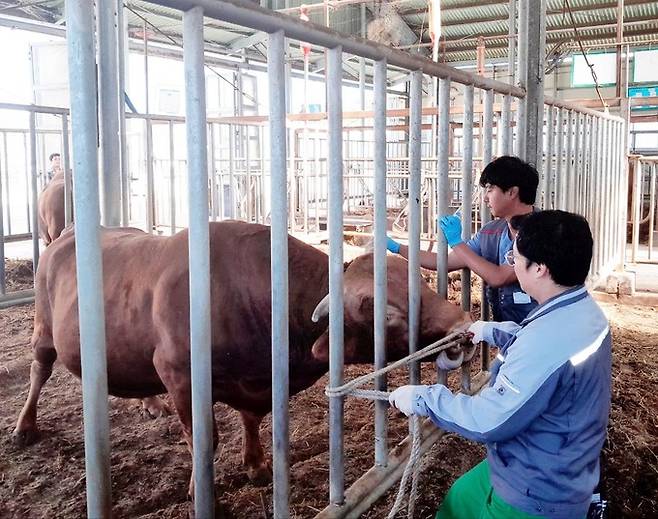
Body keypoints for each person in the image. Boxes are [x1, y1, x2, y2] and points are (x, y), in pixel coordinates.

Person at [389, 210, 612, 519]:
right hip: (559, 455)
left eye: (515, 258)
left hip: (538, 488)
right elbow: (543, 349)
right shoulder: (583, 312)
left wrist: (424, 398)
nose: (511, 262)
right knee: (459, 501)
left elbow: (488, 421)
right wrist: (494, 331)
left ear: (540, 270)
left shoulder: (545, 343)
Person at [387, 155, 539, 324]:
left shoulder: (545, 232)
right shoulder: (491, 232)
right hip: (507, 329)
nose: (485, 198)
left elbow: (499, 277)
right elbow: (444, 262)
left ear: (512, 192)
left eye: (490, 189)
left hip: (540, 327)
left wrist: (456, 242)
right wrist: (395, 246)